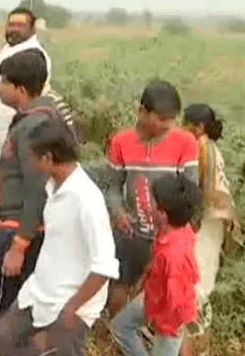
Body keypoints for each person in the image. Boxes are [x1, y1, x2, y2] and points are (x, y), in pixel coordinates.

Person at [0, 122, 119, 356]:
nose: (28, 164)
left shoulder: (86, 200)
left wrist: (72, 308)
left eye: (32, 158)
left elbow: (105, 267)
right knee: (2, 338)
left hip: (70, 304)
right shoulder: (52, 187)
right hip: (40, 292)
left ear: (48, 158)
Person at [0, 49, 74, 314]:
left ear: (20, 89)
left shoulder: (33, 126)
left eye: (3, 82)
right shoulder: (34, 119)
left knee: (0, 302)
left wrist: (19, 245)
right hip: (21, 224)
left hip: (20, 227)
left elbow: (38, 188)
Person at [105, 81, 199, 315]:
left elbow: (191, 192)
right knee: (120, 282)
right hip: (131, 233)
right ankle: (118, 336)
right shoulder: (121, 142)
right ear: (142, 112)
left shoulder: (185, 143)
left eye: (172, 119)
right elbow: (112, 187)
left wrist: (176, 230)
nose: (170, 125)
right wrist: (118, 212)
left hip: (168, 239)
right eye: (164, 119)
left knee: (166, 298)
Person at [111, 174, 200, 356]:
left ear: (162, 214)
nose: (148, 204)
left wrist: (160, 323)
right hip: (154, 296)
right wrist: (144, 280)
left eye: (153, 201)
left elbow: (177, 302)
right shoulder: (176, 228)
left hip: (168, 321)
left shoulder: (174, 256)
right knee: (120, 327)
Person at [179, 104, 242, 355]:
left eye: (187, 123)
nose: (183, 128)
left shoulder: (202, 148)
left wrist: (191, 220)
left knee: (199, 278)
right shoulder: (209, 147)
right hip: (216, 216)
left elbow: (201, 189)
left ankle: (196, 339)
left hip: (210, 217)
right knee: (202, 274)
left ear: (199, 127)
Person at [0, 7, 52, 173]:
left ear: (32, 29)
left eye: (20, 25)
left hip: (12, 128)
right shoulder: (8, 49)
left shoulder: (34, 55)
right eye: (11, 24)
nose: (14, 29)